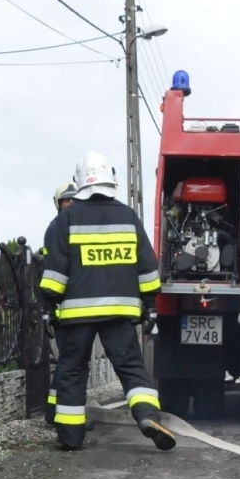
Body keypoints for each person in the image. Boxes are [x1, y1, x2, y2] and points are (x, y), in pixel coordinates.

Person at [39, 151, 176, 452]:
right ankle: (146, 416)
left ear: (80, 183)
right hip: (120, 311)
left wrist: (50, 307)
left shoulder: (68, 219)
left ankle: (71, 437)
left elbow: (54, 274)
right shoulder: (128, 216)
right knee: (131, 368)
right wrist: (150, 305)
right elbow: (148, 268)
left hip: (77, 314)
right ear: (111, 178)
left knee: (73, 370)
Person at [41, 180, 78, 426]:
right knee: (71, 363)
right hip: (65, 307)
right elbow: (54, 272)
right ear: (59, 204)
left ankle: (54, 412)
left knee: (69, 361)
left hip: (70, 307)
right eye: (67, 200)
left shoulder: (70, 226)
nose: (72, 204)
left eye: (76, 200)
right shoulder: (58, 228)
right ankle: (63, 415)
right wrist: (49, 309)